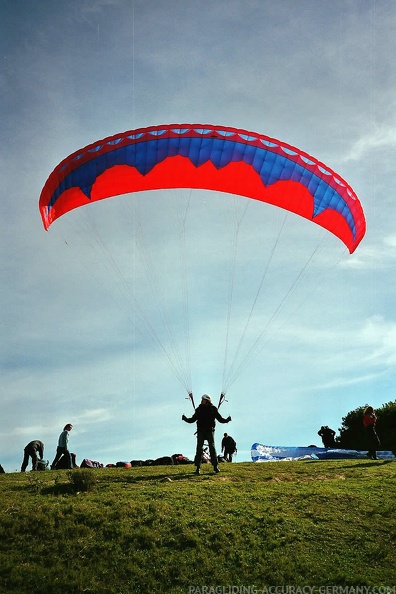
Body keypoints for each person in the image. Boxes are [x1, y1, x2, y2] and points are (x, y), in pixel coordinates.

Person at [182, 394, 231, 475]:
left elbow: (220, 419)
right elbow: (192, 420)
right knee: (199, 448)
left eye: (203, 399)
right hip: (201, 431)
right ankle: (198, 467)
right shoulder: (199, 410)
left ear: (207, 400)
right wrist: (185, 419)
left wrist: (227, 420)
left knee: (212, 447)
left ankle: (215, 466)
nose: (201, 400)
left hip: (209, 431)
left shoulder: (213, 409)